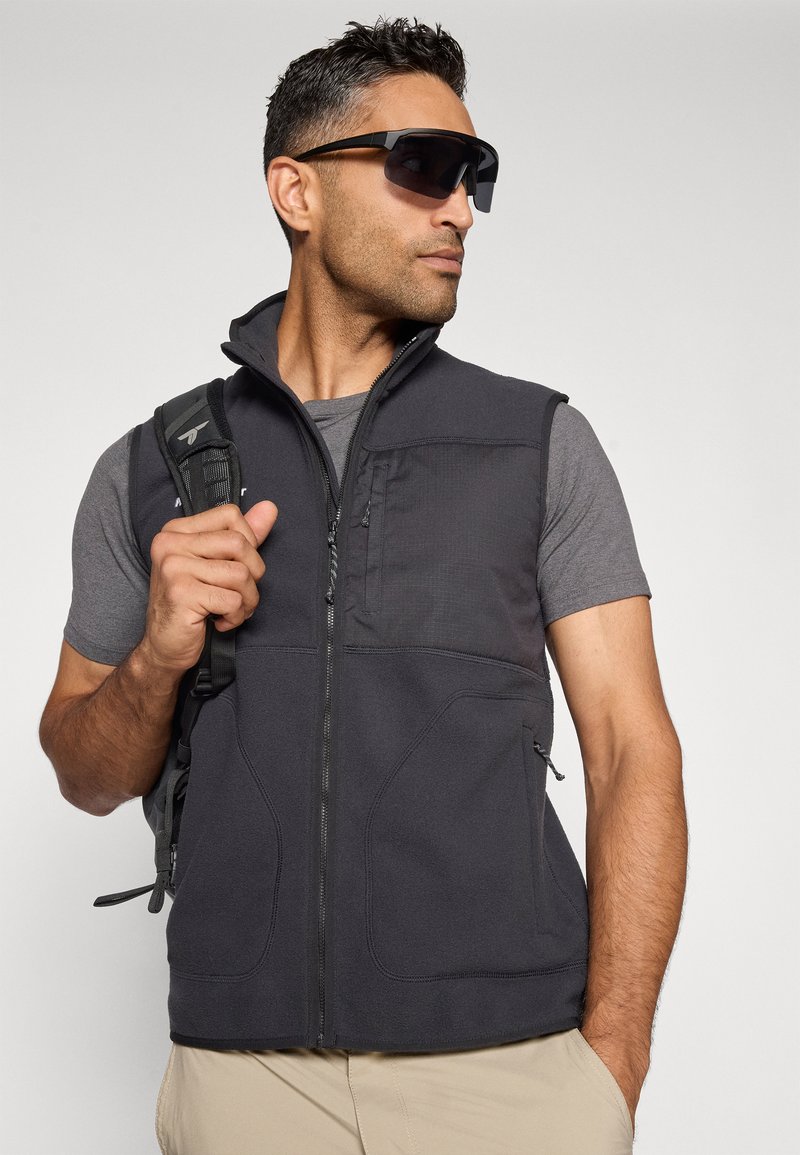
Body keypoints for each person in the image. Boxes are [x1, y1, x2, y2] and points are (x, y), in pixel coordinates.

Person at [39, 16, 687, 1155]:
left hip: (511, 1076)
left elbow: (632, 750)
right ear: (295, 190)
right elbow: (84, 774)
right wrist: (157, 653)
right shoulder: (151, 468)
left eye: (475, 175)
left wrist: (612, 1060)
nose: (460, 210)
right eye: (423, 166)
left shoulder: (536, 444)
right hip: (242, 1081)